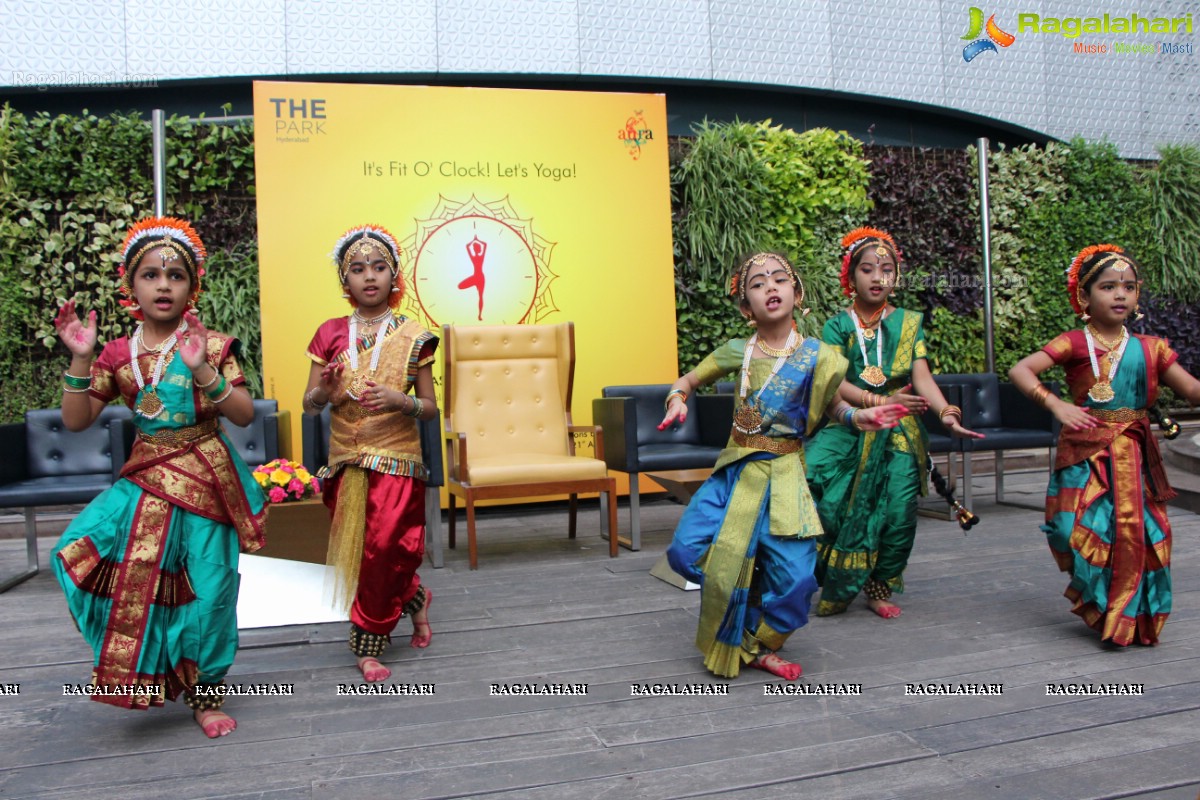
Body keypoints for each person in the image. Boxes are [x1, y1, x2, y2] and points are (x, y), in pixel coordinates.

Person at [52, 216, 266, 738]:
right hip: (145, 476)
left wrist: (203, 371)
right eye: (151, 275)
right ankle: (146, 674)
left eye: (176, 275)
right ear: (131, 285)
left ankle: (206, 695)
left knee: (210, 591)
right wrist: (81, 358)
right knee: (82, 551)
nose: (164, 285)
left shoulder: (212, 346)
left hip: (206, 479)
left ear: (194, 287)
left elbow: (242, 415)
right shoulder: (117, 356)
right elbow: (76, 420)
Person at [662, 252, 906, 680]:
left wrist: (860, 417)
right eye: (757, 284)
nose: (770, 288)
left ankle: (761, 644)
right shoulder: (737, 351)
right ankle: (744, 587)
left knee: (796, 581)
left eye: (779, 279)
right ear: (745, 308)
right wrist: (677, 399)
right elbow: (686, 382)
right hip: (735, 472)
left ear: (797, 293)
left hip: (786, 477)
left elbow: (836, 407)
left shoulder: (818, 356)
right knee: (683, 553)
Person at [1009, 244, 1200, 646]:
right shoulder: (1074, 342)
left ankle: (1123, 619)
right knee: (1067, 530)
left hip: (1135, 452)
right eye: (1109, 286)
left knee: (1139, 532)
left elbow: (1193, 391)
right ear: (1084, 296)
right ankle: (1102, 601)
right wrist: (1056, 404)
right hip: (1084, 450)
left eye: (1128, 288)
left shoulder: (1153, 348)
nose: (1120, 295)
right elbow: (1021, 370)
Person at [806, 227, 982, 619]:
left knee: (899, 511)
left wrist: (947, 414)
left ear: (896, 278)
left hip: (900, 431)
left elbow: (921, 379)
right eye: (867, 269)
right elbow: (834, 383)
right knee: (812, 478)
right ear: (850, 278)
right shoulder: (837, 326)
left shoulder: (907, 323)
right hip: (853, 424)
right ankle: (814, 572)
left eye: (886, 269)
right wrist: (880, 402)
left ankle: (879, 584)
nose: (877, 277)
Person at [303, 224, 438, 682]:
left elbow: (431, 408)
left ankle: (368, 641)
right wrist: (325, 390)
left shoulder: (414, 335)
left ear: (394, 276)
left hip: (397, 459)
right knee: (364, 553)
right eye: (358, 269)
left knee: (384, 548)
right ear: (346, 282)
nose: (369, 277)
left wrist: (401, 401)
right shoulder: (329, 333)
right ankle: (414, 597)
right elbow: (309, 405)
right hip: (345, 459)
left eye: (379, 267)